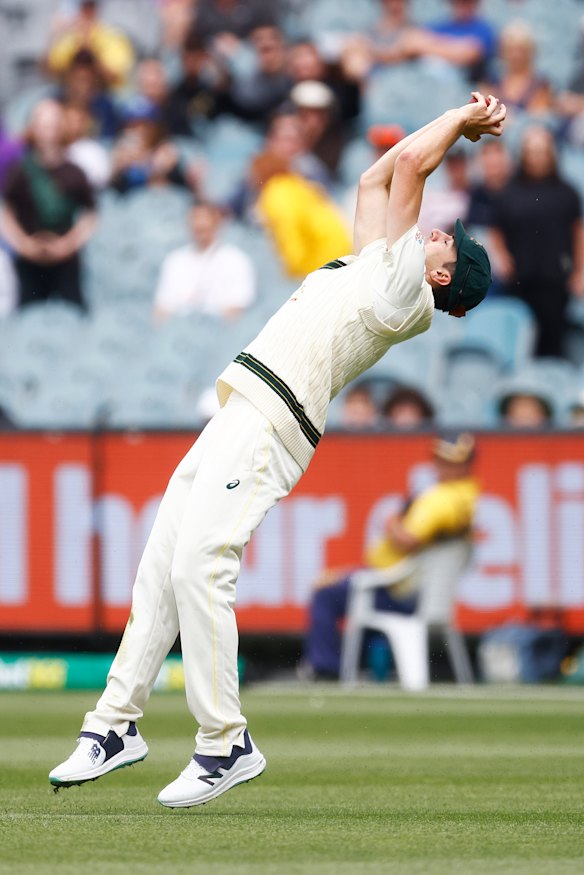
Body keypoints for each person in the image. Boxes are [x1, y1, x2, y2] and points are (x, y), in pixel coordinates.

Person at [49, 91, 505, 806]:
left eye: (446, 242)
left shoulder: (403, 291)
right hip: (241, 406)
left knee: (202, 565)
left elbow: (413, 166)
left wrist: (460, 119)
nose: (438, 233)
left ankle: (224, 741)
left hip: (272, 424)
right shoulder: (377, 265)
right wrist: (446, 128)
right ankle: (113, 725)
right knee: (163, 563)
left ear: (442, 275)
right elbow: (373, 180)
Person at [304, 432, 479, 679]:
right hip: (404, 585)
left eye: (452, 462)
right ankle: (353, 667)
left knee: (326, 594)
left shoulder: (444, 498)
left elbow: (407, 540)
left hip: (399, 591)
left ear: (466, 464)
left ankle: (326, 669)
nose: (443, 467)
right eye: (440, 459)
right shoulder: (464, 495)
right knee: (348, 586)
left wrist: (392, 523)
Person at [488, 125, 584, 357]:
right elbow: (495, 228)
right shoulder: (509, 192)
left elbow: (578, 232)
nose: (538, 157)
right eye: (532, 151)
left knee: (551, 347)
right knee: (517, 344)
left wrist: (580, 271)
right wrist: (501, 255)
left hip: (554, 282)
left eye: (542, 151)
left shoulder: (567, 192)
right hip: (518, 281)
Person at [0, 100, 97, 310]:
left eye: (53, 125)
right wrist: (23, 244)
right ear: (33, 128)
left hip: (66, 263)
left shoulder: (75, 172)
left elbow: (91, 214)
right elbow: (5, 212)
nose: (48, 133)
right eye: (43, 126)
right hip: (29, 263)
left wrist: (67, 245)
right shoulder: (19, 172)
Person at [153, 202, 256, 322]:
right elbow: (161, 309)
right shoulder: (174, 260)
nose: (199, 225)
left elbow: (237, 310)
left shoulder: (236, 260)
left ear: (217, 222)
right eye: (195, 219)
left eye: (204, 220)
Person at [46, 0, 135, 90]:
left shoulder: (113, 36)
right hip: (74, 94)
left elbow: (114, 76)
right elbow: (50, 71)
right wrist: (53, 37)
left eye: (90, 8)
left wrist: (88, 46)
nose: (86, 13)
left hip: (107, 94)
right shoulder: (69, 38)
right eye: (83, 8)